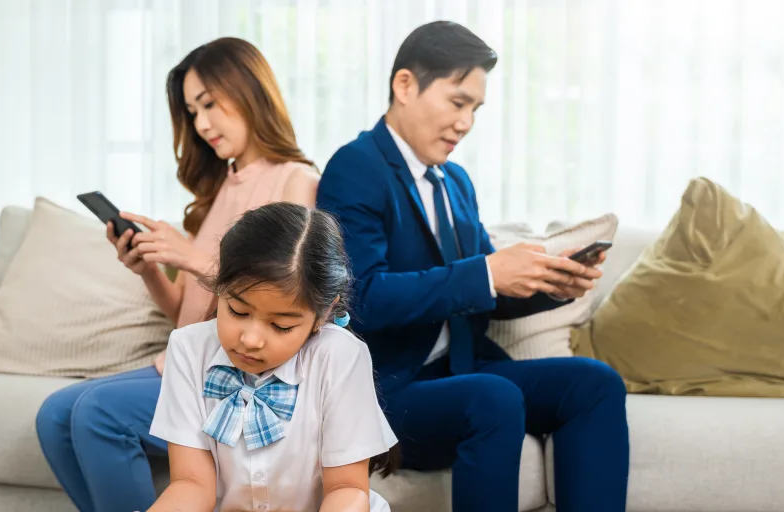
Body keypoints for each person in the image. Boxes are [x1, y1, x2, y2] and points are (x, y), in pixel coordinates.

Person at [316, 21, 629, 512]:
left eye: (475, 109)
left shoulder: (455, 181)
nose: (466, 123)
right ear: (404, 86)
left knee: (594, 383)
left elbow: (484, 292)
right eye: (457, 102)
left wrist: (550, 286)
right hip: (391, 389)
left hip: (463, 370)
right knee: (494, 398)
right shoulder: (355, 168)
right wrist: (486, 273)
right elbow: (364, 300)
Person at [34, 37, 320, 512]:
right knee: (54, 415)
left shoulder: (295, 179)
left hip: (236, 370)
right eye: (192, 111)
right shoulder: (221, 187)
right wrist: (150, 270)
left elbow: (282, 290)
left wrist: (189, 255)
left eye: (209, 104)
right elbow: (185, 314)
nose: (202, 123)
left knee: (97, 415)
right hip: (187, 359)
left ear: (249, 90)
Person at [148, 202, 399, 512]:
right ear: (220, 287)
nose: (250, 340)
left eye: (281, 326)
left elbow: (347, 489)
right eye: (238, 311)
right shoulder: (188, 348)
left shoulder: (340, 356)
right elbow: (191, 484)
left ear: (321, 315)